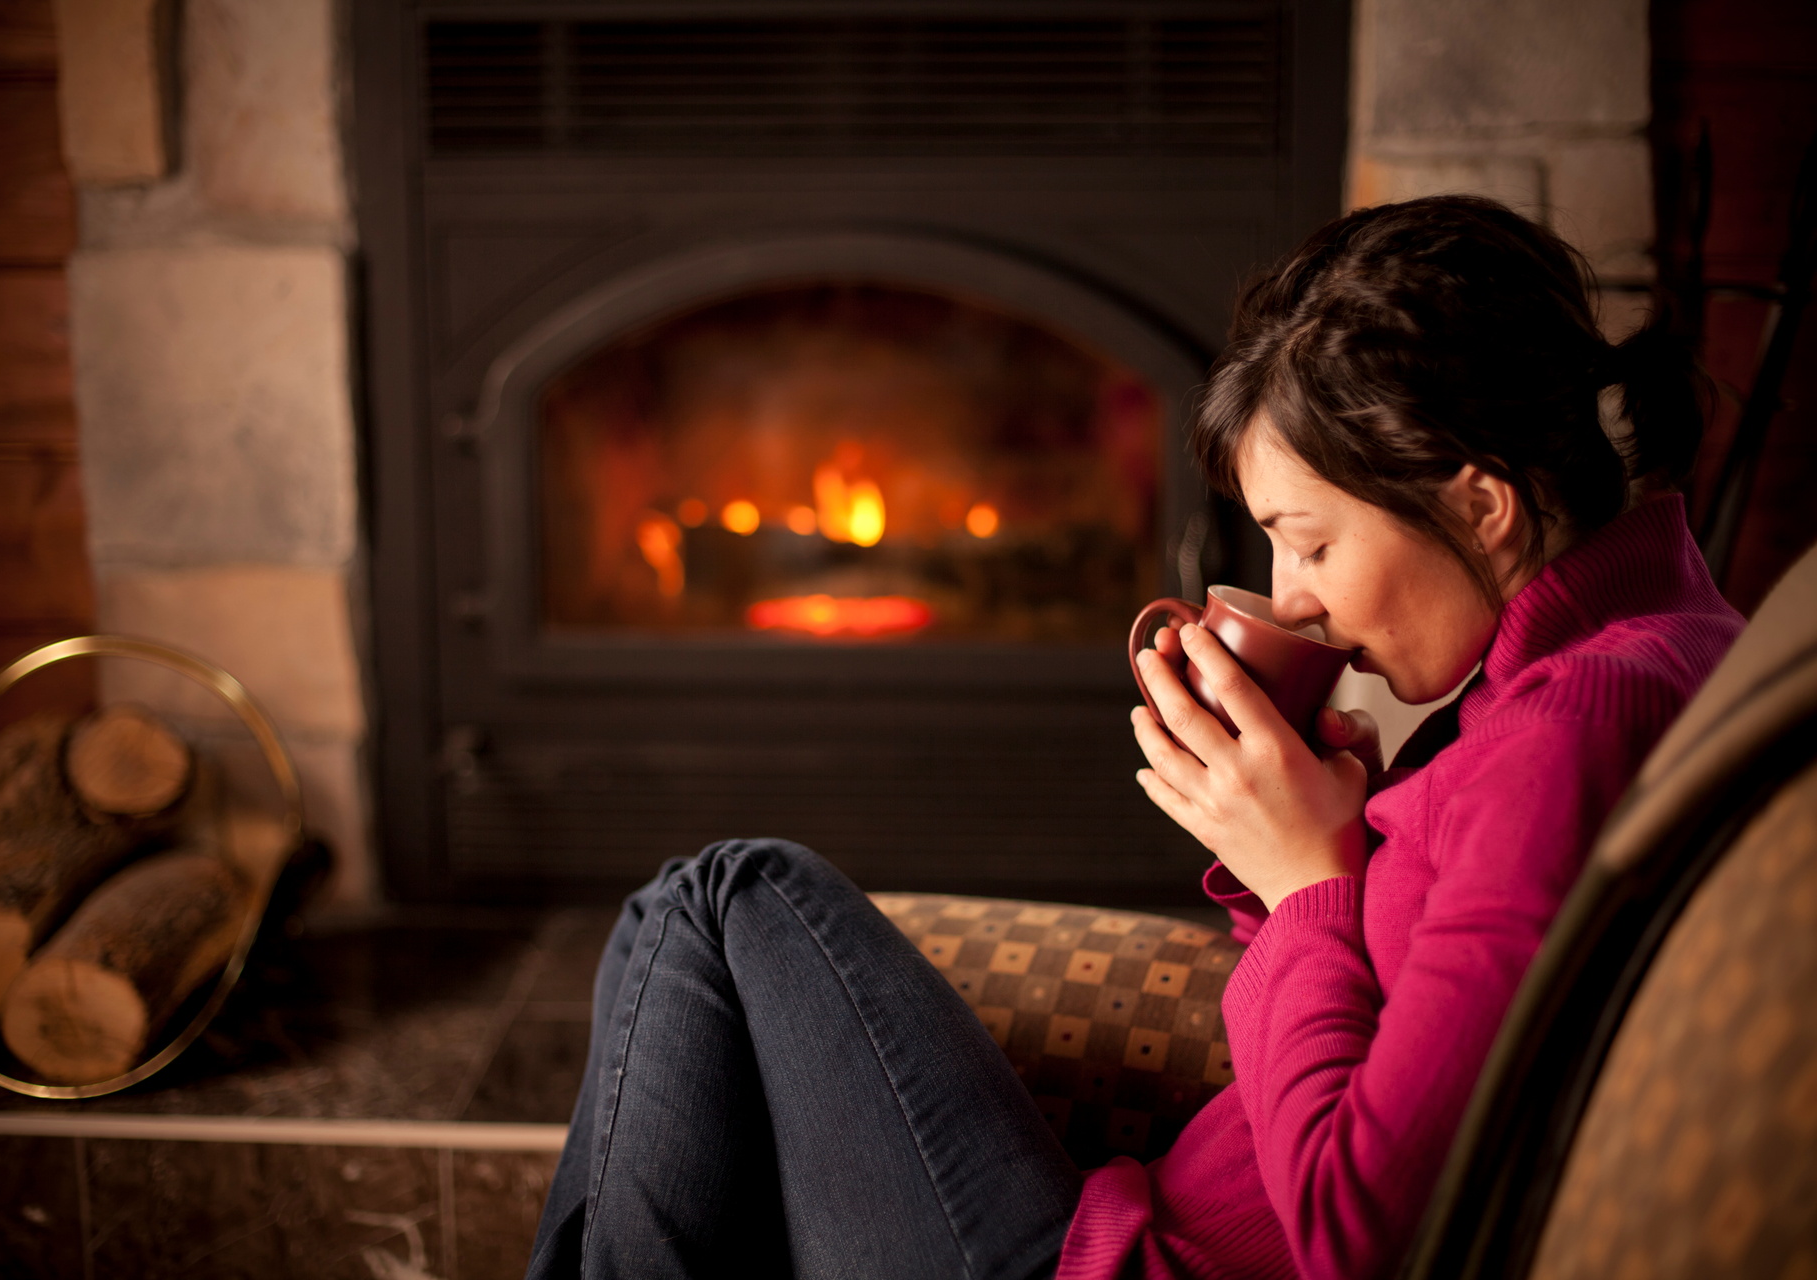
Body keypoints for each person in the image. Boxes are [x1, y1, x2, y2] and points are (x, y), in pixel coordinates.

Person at [523, 196, 1745, 1280]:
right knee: (695, 939)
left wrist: (1308, 876)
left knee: (721, 895)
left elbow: (1354, 1227)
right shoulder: (1636, 652)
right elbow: (1384, 1010)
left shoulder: (1566, 727)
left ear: (1481, 501)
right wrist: (1306, 829)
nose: (1293, 593)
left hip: (1110, 1262)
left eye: (1311, 539)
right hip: (1131, 1220)